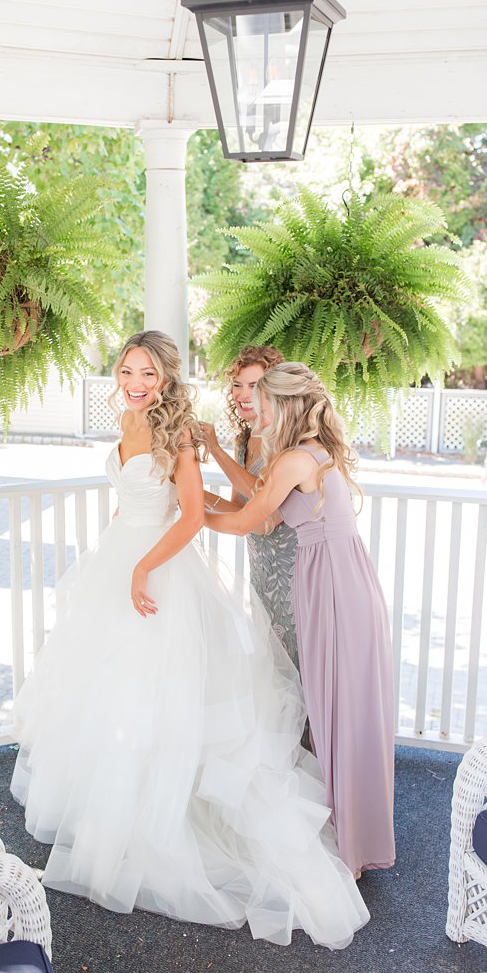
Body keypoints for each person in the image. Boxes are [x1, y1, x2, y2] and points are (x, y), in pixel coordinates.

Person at [10, 331, 368, 949]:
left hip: (158, 570)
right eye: (128, 370)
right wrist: (127, 534)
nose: (136, 382)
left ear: (167, 378)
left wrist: (145, 565)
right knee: (108, 698)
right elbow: (134, 495)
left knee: (158, 698)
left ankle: (157, 825)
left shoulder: (178, 434)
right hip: (119, 562)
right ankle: (105, 824)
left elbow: (196, 517)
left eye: (148, 373)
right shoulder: (126, 421)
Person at [204, 362, 396, 878]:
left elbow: (248, 520)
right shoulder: (315, 450)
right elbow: (262, 516)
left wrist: (186, 511)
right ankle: (353, 836)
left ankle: (348, 846)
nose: (254, 410)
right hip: (338, 576)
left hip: (330, 582)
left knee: (333, 704)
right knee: (342, 706)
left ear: (282, 404)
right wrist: (201, 501)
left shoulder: (293, 458)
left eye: (262, 401)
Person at [198, 345, 300, 672]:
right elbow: (237, 507)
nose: (243, 394)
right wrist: (190, 493)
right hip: (261, 573)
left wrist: (214, 449)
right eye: (238, 384)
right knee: (272, 665)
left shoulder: (284, 439)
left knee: (296, 666)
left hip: (292, 573)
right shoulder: (243, 440)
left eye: (254, 386)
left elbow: (262, 506)